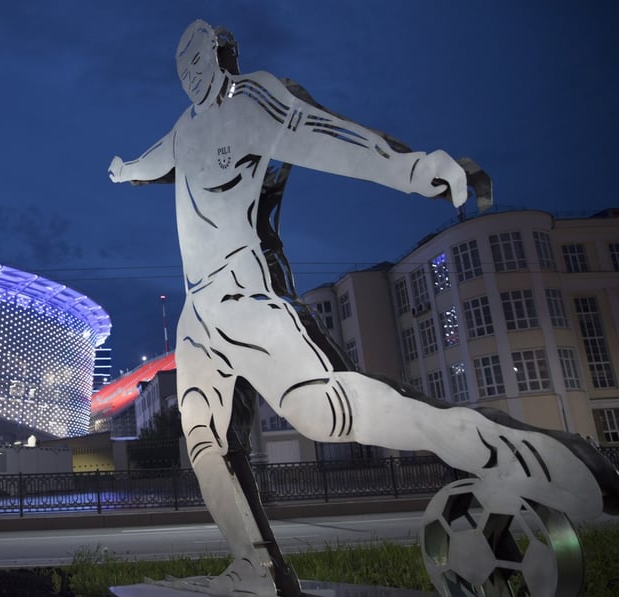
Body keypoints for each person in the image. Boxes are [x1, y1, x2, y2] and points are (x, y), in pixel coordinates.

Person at [109, 19, 619, 596]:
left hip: (245, 294)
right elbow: (160, 158)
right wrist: (128, 169)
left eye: (200, 61)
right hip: (198, 316)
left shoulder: (252, 103)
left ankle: (505, 448)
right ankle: (255, 567)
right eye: (183, 69)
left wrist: (413, 168)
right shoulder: (184, 129)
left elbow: (325, 135)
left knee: (321, 412)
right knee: (204, 437)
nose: (192, 76)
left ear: (221, 54)